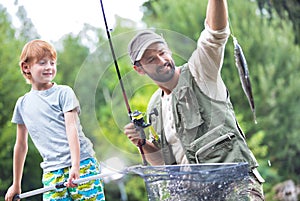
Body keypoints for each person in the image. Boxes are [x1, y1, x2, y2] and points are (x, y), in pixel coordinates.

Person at [124, 0, 265, 200]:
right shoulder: (154, 106)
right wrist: (142, 142)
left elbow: (215, 35)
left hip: (236, 186)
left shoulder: (200, 71)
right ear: (139, 69)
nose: (162, 60)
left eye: (162, 52)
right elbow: (164, 163)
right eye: (151, 59)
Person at [5, 39, 105, 201]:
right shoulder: (22, 104)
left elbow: (71, 128)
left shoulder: (63, 93)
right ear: (26, 67)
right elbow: (21, 145)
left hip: (83, 164)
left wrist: (75, 165)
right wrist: (16, 183)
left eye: (52, 63)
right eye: (42, 63)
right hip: (52, 172)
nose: (49, 67)